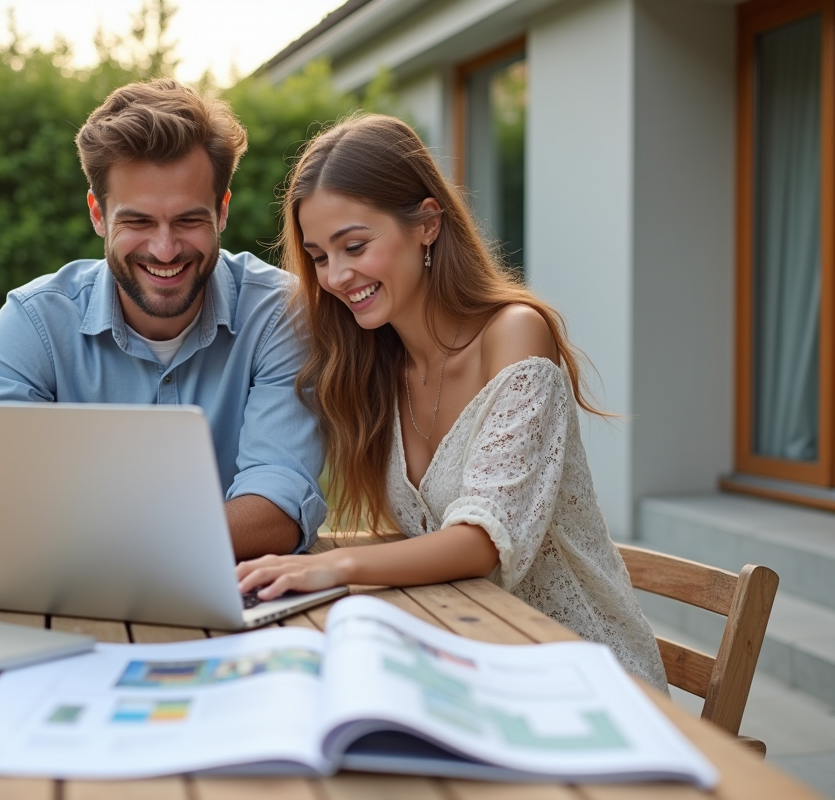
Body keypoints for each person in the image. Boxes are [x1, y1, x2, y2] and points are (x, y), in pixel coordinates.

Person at [235, 114, 669, 691]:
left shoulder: (514, 335)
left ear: (427, 224)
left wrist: (330, 566)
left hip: (582, 671)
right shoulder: (374, 367)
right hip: (476, 657)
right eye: (318, 256)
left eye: (355, 246)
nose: (336, 276)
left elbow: (480, 542)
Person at [0, 79, 326, 562]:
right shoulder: (36, 321)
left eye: (188, 220)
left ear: (222, 211)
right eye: (138, 222)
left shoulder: (278, 315)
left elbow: (279, 502)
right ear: (98, 215)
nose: (165, 250)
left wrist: (91, 544)